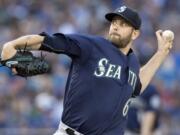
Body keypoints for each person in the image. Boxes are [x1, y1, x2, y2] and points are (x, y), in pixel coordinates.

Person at [1, 5, 173, 135]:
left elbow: (137, 86)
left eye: (122, 24)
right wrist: (14, 44)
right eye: (113, 22)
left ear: (135, 34)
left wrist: (161, 53)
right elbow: (50, 41)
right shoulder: (92, 45)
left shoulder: (133, 62)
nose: (115, 26)